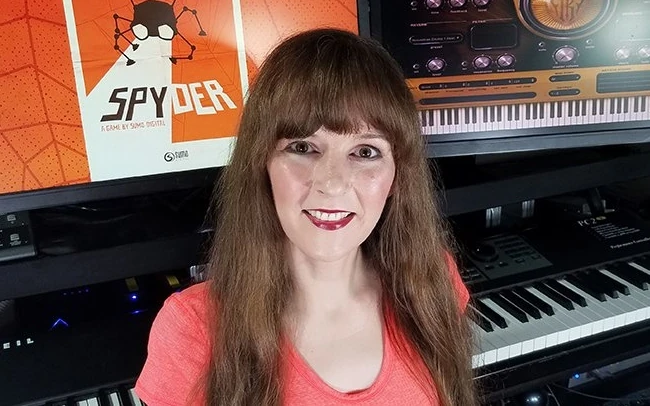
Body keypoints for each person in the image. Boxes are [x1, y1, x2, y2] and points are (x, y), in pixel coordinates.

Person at [134, 28, 477, 405]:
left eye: (365, 152)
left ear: (397, 176)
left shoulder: (434, 279)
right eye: (302, 147)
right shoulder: (192, 330)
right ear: (262, 163)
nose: (332, 183)